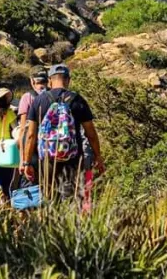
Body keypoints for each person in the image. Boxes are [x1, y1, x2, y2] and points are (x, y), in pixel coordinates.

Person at [21, 64, 105, 201]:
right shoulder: (78, 100)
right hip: (73, 158)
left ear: (49, 80)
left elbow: (30, 135)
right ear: (68, 80)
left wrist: (27, 162)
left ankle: (50, 221)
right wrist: (98, 157)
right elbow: (91, 133)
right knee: (72, 198)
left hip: (47, 159)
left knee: (49, 197)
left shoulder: (39, 100)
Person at [16, 69, 48, 153]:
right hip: (50, 140)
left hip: (32, 140)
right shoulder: (52, 95)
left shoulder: (27, 97)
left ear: (32, 81)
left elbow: (23, 125)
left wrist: (20, 140)